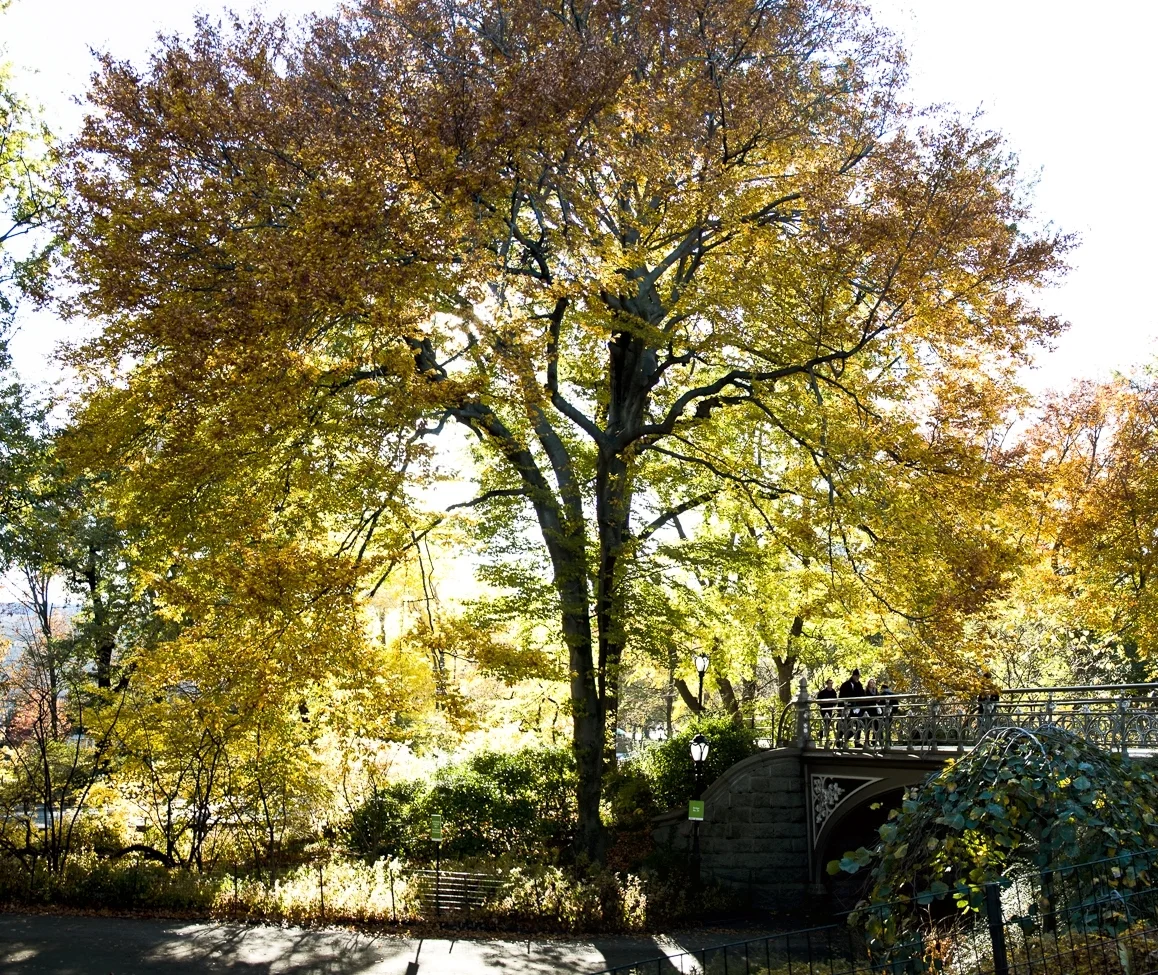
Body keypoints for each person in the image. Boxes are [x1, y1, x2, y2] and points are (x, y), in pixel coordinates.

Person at [838, 668, 865, 747]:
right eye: (856, 676)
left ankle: (857, 741)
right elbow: (842, 697)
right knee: (846, 725)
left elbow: (862, 696)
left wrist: (860, 706)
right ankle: (840, 740)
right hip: (847, 708)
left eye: (858, 676)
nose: (857, 678)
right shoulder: (846, 684)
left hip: (857, 708)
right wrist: (842, 708)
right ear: (853, 676)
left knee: (859, 724)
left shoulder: (859, 685)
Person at [816, 678, 838, 746]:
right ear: (827, 684)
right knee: (823, 724)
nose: (830, 685)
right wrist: (823, 703)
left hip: (830, 710)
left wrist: (832, 704)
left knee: (828, 725)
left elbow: (835, 701)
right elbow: (818, 701)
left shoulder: (833, 692)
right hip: (823, 710)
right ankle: (822, 739)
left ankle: (827, 739)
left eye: (831, 683)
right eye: (829, 683)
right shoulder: (822, 692)